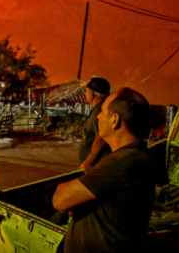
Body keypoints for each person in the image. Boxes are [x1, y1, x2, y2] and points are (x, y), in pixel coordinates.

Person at [52, 87, 155, 253]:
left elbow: (60, 199)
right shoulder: (136, 156)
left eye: (103, 111)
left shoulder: (121, 164)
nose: (98, 115)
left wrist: (72, 200)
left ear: (115, 120)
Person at [78, 76, 111, 172]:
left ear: (91, 94)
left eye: (86, 91)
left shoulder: (99, 112)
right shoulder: (101, 108)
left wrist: (89, 161)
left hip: (95, 167)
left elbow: (102, 137)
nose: (85, 94)